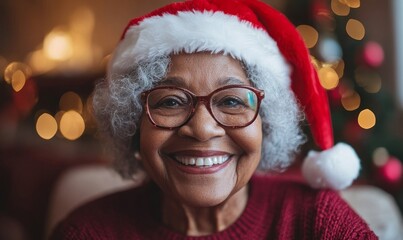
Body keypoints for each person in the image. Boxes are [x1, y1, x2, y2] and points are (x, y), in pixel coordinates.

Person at [50, 0, 378, 239]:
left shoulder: (317, 221)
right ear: (133, 125)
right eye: (171, 101)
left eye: (232, 100)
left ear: (267, 123)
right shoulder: (88, 231)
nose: (203, 129)